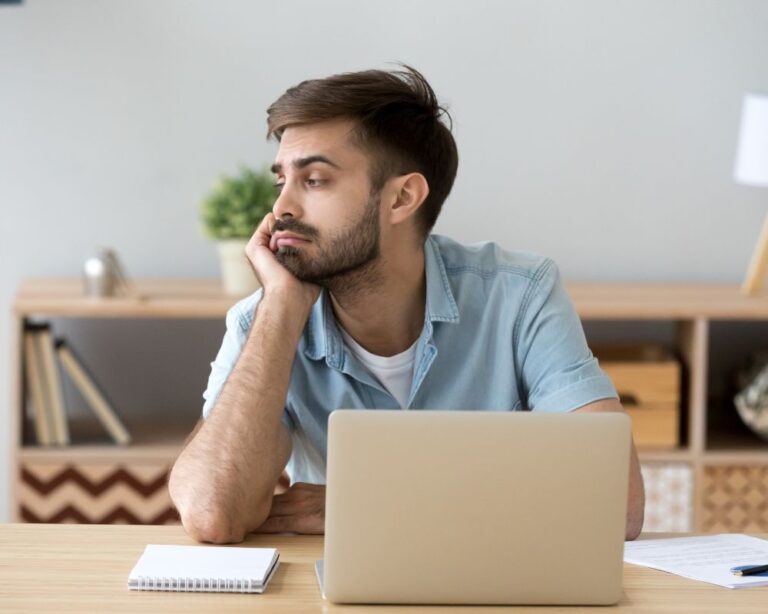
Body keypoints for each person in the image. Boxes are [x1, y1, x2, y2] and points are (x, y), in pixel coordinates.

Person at [168, 65, 645, 544]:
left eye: (314, 180)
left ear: (401, 198)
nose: (281, 209)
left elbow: (615, 506)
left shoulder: (519, 296)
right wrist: (281, 309)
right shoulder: (264, 319)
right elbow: (212, 513)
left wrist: (371, 504)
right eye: (281, 183)